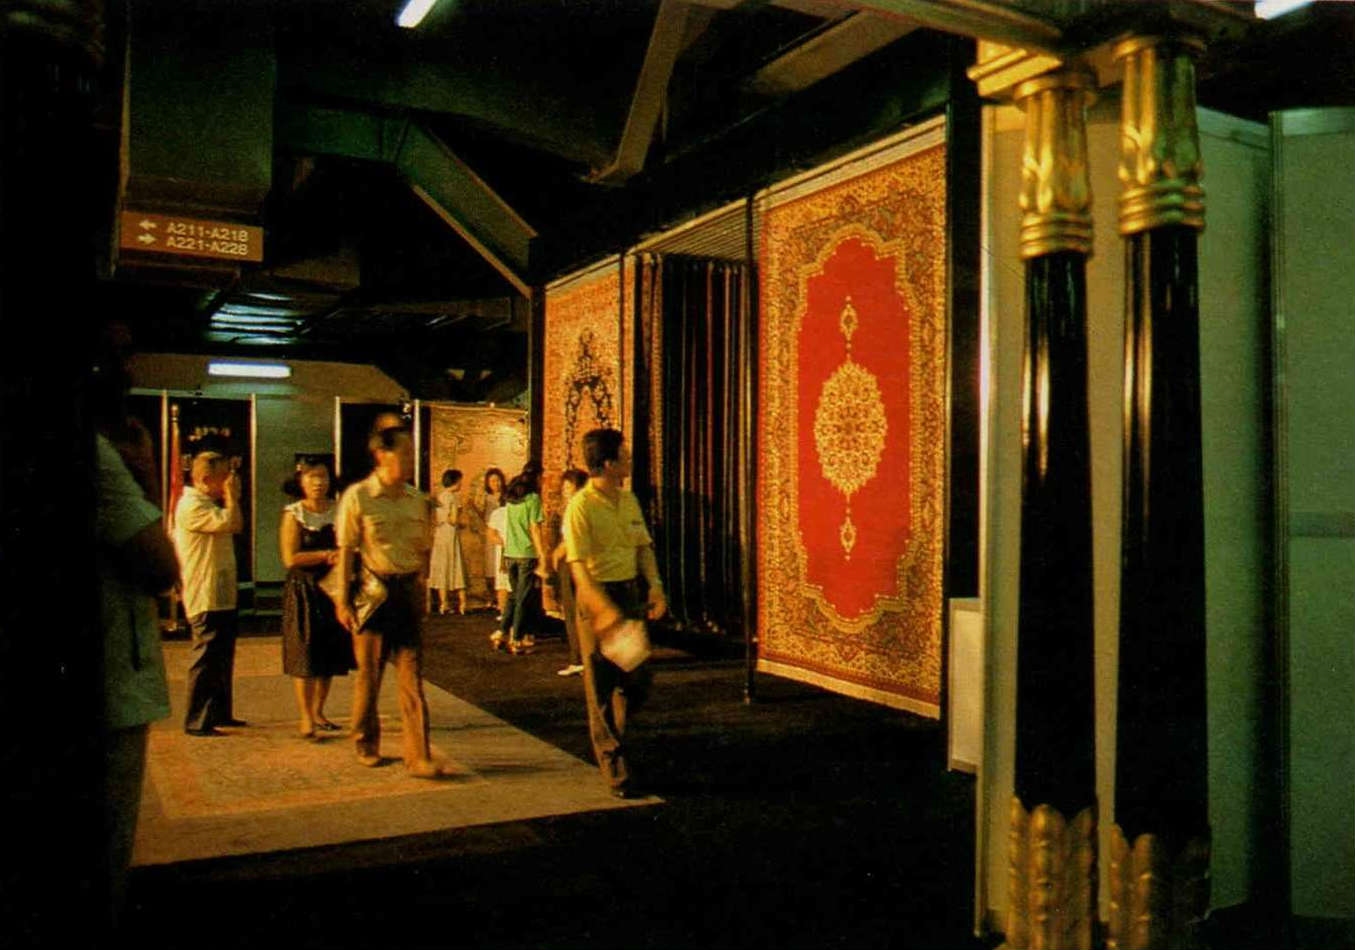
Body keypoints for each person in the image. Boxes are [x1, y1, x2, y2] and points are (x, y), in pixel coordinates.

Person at [92, 322, 179, 933]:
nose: (130, 372)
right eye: (118, 357)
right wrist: (144, 471)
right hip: (110, 676)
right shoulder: (98, 460)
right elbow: (159, 565)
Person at [333, 426, 451, 778]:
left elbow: (424, 549)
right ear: (381, 455)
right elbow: (347, 551)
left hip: (407, 592)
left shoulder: (417, 499)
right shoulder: (359, 497)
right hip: (374, 592)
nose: (411, 460)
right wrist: (342, 601)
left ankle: (418, 756)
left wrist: (423, 589)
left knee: (412, 677)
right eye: (404, 453)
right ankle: (365, 741)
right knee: (369, 675)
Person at [563, 428, 667, 798]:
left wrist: (655, 586)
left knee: (638, 678)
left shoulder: (628, 500)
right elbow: (578, 567)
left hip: (629, 595)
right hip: (597, 598)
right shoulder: (580, 506)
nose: (630, 461)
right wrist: (602, 609)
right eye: (625, 455)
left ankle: (616, 739)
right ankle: (614, 768)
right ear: (608, 463)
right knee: (601, 688)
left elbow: (643, 548)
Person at [279, 457, 354, 739]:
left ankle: (319, 711)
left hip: (333, 588)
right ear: (301, 481)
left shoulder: (339, 510)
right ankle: (305, 716)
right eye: (312, 477)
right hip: (304, 589)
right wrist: (325, 555)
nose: (318, 483)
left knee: (329, 654)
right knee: (305, 653)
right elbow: (290, 558)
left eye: (323, 476)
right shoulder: (294, 514)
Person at [175, 450, 245, 736]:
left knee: (222, 656)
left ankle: (219, 712)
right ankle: (197, 719)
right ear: (205, 479)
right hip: (204, 593)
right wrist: (232, 498)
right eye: (224, 476)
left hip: (221, 591)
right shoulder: (192, 505)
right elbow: (234, 523)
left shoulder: (208, 504)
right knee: (206, 656)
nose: (230, 481)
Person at [495, 472, 550, 655]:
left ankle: (502, 631)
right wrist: (541, 553)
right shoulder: (533, 499)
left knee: (514, 595)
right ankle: (516, 639)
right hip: (526, 553)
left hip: (510, 552)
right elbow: (534, 528)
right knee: (522, 598)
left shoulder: (511, 501)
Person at [549, 468, 589, 676]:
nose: (566, 491)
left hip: (575, 561)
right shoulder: (567, 508)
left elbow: (572, 537)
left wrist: (558, 552)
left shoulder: (579, 508)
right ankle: (580, 656)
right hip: (571, 562)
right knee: (573, 611)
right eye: (564, 487)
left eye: (569, 487)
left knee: (576, 611)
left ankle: (580, 658)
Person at [428, 468, 468, 615]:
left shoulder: (439, 496)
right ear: (455, 481)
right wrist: (461, 524)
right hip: (450, 534)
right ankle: (463, 604)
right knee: (456, 565)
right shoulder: (453, 497)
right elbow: (453, 520)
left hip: (440, 534)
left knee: (442, 567)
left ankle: (443, 603)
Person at [478, 467, 507, 614]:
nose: (495, 483)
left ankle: (502, 600)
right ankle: (492, 597)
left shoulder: (506, 497)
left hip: (502, 533)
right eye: (492, 481)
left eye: (497, 480)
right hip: (491, 533)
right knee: (490, 568)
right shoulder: (486, 497)